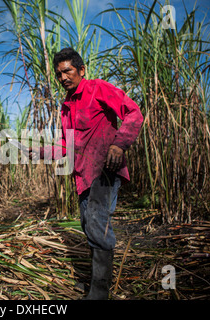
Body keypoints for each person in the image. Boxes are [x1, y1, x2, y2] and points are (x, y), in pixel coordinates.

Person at [29, 47, 143, 300]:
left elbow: (134, 113)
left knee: (95, 221)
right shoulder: (66, 106)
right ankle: (96, 283)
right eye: (58, 74)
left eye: (67, 71)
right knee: (88, 223)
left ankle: (100, 292)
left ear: (81, 70)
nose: (63, 78)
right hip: (82, 175)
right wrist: (37, 151)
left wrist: (119, 143)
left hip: (105, 168)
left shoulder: (98, 89)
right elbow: (65, 146)